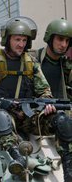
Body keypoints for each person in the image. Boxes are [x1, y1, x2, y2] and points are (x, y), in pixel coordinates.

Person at [0, 19, 56, 179]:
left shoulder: (31, 63)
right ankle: (18, 157)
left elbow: (45, 91)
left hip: (27, 116)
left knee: (61, 120)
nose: (21, 44)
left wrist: (46, 104)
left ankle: (68, 167)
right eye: (17, 39)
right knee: (0, 116)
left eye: (24, 40)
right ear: (7, 39)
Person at [33, 18, 72, 182]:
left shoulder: (67, 65)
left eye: (67, 41)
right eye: (60, 39)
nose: (63, 44)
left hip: (62, 113)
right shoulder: (33, 60)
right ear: (50, 38)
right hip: (37, 115)